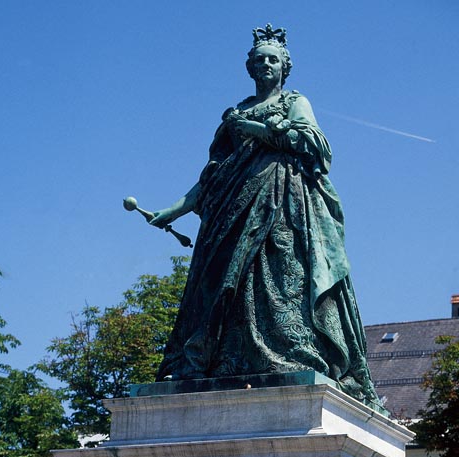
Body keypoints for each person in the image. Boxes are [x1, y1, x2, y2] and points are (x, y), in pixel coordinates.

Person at [150, 24, 380, 409]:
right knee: (226, 283)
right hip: (231, 210)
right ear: (249, 67)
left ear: (284, 66)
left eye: (272, 59)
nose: (265, 65)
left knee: (278, 274)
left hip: (282, 201)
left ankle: (290, 353)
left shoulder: (294, 102)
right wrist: (173, 209)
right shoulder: (234, 112)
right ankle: (223, 360)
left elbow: (314, 146)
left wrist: (254, 129)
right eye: (259, 60)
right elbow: (211, 177)